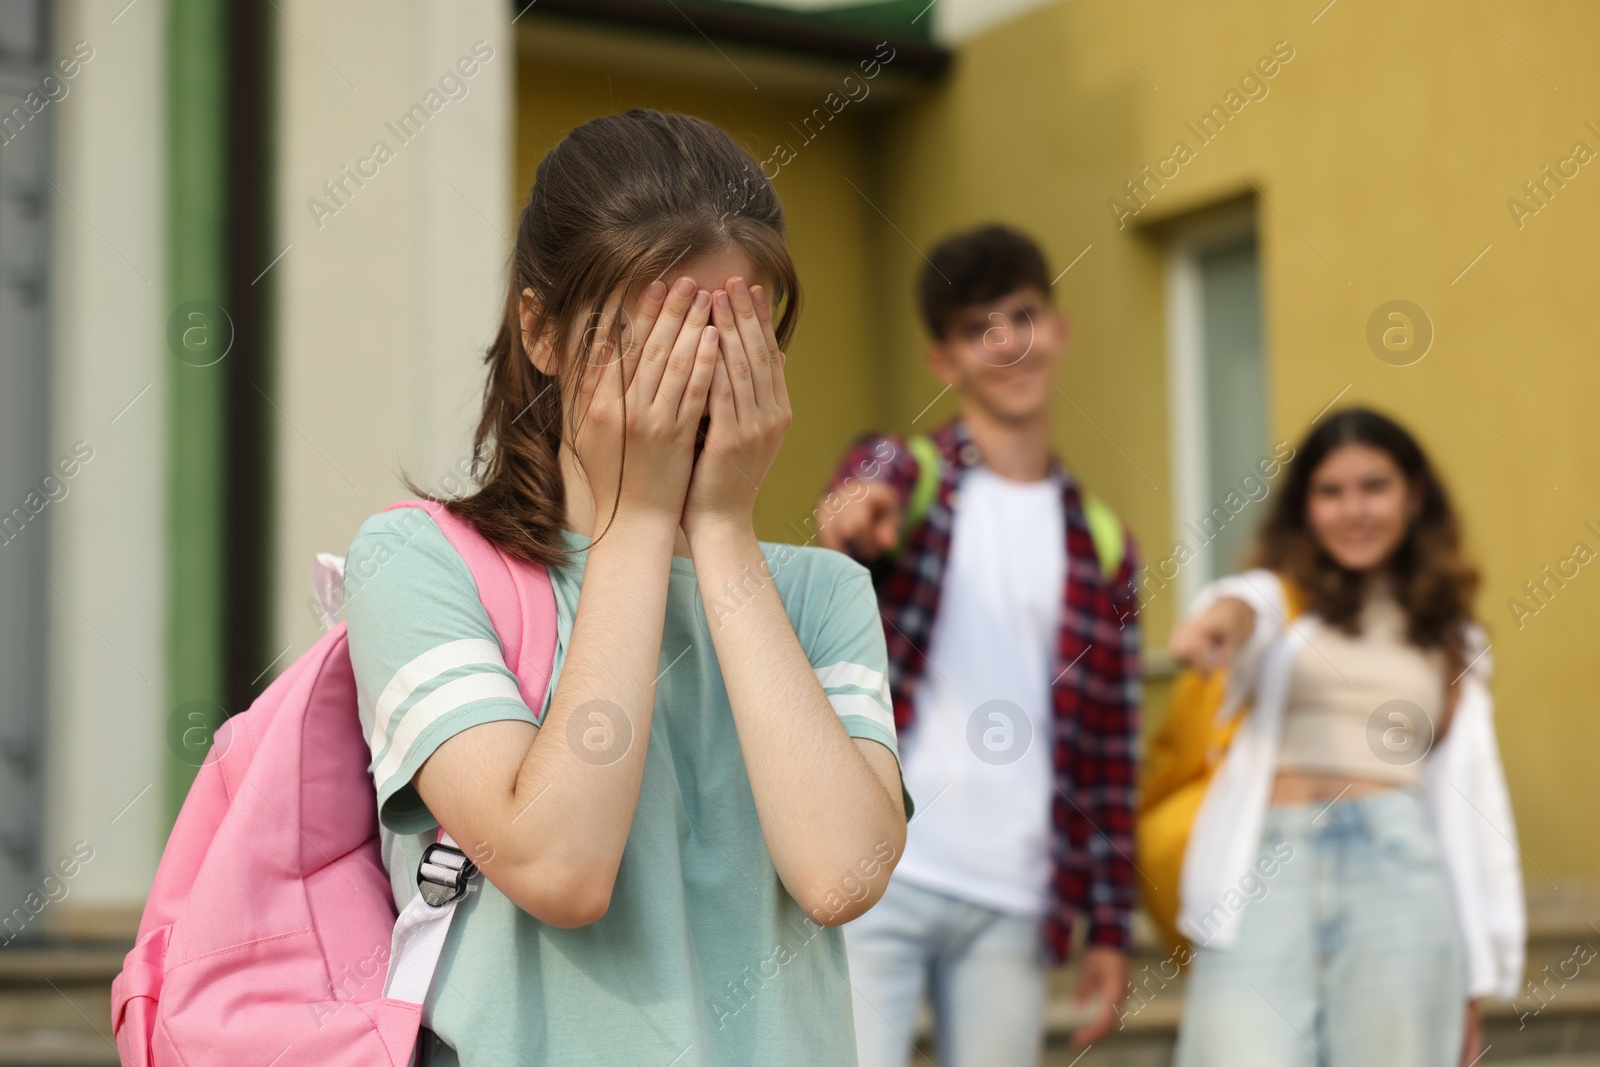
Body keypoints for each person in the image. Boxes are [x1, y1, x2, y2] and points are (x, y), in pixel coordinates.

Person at [341, 109, 913, 1066]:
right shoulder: (420, 564)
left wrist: (722, 529)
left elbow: (840, 875)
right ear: (541, 330)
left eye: (728, 340)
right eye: (656, 343)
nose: (689, 386)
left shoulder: (823, 594)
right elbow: (559, 866)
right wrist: (637, 524)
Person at [817, 224, 1142, 1067]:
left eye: (1023, 315)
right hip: (879, 871)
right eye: (977, 327)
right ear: (944, 362)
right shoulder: (915, 481)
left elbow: (1109, 750)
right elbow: (870, 469)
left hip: (1016, 896)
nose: (1007, 342)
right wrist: (857, 506)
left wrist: (1109, 926)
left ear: (1059, 330)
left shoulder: (1105, 544)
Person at [1167, 406, 1526, 1067]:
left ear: (1414, 494)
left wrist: (1472, 984)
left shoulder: (1453, 636)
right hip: (1267, 864)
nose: (1353, 509)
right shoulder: (1283, 601)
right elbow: (1244, 603)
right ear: (1305, 507)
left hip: (1400, 862)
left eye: (1374, 486)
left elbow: (1471, 803)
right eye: (1330, 491)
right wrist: (1217, 618)